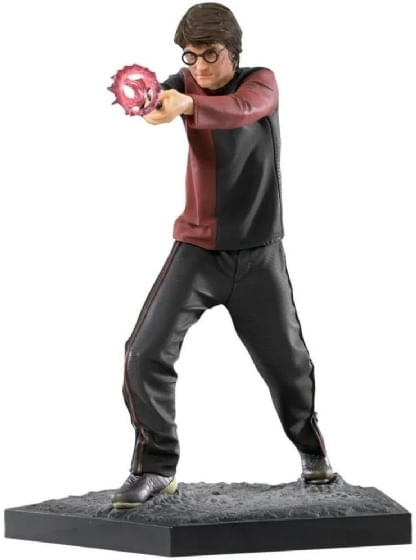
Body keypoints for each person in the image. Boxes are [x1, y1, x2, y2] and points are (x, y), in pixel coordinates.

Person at [111, 2, 336, 509]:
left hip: (259, 255)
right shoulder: (182, 85)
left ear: (233, 50)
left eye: (210, 54)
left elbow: (240, 110)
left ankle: (312, 453)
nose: (200, 66)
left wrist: (186, 105)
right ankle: (155, 468)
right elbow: (159, 104)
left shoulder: (261, 82)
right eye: (190, 56)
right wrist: (151, 102)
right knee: (144, 353)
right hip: (197, 252)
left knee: (288, 365)